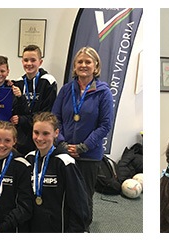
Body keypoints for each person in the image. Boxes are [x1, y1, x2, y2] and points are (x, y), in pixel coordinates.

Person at [52, 46, 113, 231]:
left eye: (88, 62)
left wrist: (82, 147)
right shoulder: (65, 90)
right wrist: (62, 144)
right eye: (80, 62)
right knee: (63, 194)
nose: (83, 65)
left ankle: (82, 229)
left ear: (95, 66)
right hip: (64, 152)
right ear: (75, 65)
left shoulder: (103, 92)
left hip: (88, 155)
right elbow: (55, 119)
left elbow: (105, 125)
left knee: (84, 196)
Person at [25, 112, 89, 232]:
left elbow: (79, 204)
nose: (39, 138)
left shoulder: (66, 162)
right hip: (32, 226)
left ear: (56, 133)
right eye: (36, 132)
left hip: (58, 228)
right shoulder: (29, 159)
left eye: (46, 133)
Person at [0, 121, 33, 233]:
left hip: (12, 229)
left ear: (14, 141)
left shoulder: (22, 166)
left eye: (7, 140)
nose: (2, 145)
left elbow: (26, 206)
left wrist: (2, 227)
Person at [14, 45, 58, 155]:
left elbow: (46, 112)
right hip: (22, 140)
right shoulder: (18, 83)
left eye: (33, 60)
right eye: (26, 60)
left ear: (40, 62)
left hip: (41, 138)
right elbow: (17, 110)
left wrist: (23, 119)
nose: (29, 63)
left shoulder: (48, 82)